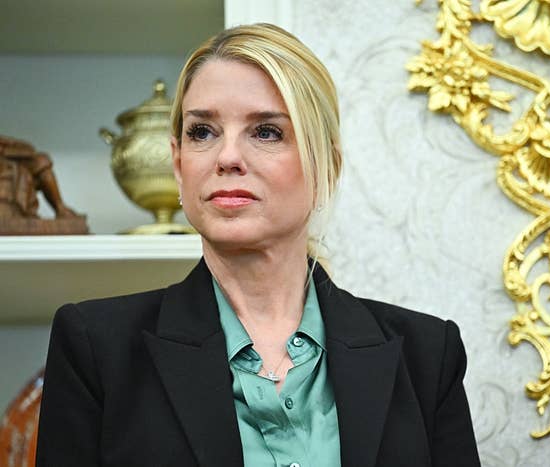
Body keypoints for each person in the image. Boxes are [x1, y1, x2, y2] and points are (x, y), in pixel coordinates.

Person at [36, 23, 481, 467]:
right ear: (177, 164)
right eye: (202, 132)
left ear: (326, 166)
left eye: (266, 132)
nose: (227, 157)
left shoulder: (427, 356)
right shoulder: (96, 349)